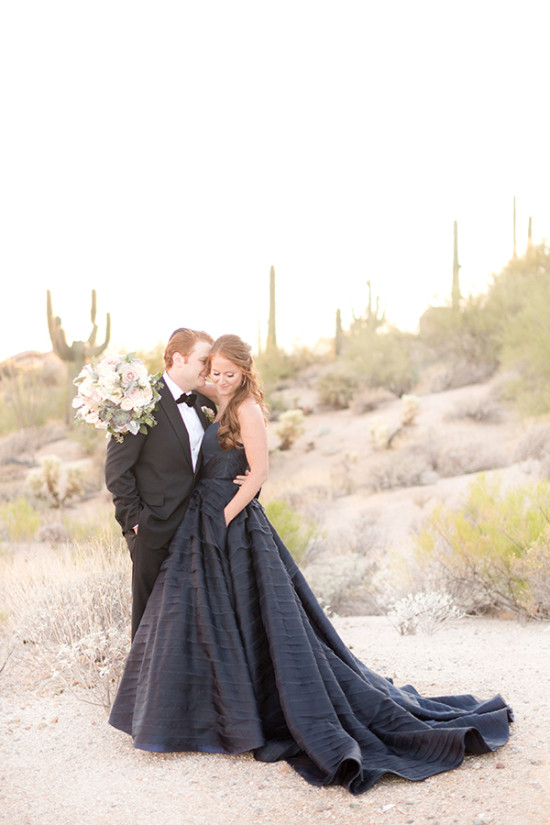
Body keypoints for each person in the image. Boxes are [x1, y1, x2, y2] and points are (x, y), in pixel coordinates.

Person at [109, 334, 513, 794]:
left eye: (227, 372)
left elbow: (258, 472)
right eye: (213, 371)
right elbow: (163, 403)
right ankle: (198, 714)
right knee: (200, 618)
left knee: (257, 620)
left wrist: (220, 518)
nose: (218, 378)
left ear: (245, 371)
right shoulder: (209, 401)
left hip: (228, 523)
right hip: (198, 522)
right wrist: (123, 394)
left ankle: (254, 713)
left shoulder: (247, 409)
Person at [105, 327, 216, 639]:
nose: (208, 369)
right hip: (154, 528)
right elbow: (117, 470)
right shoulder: (139, 399)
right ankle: (142, 686)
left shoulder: (200, 403)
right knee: (150, 620)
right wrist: (136, 522)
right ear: (178, 359)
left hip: (195, 527)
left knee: (188, 618)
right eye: (203, 360)